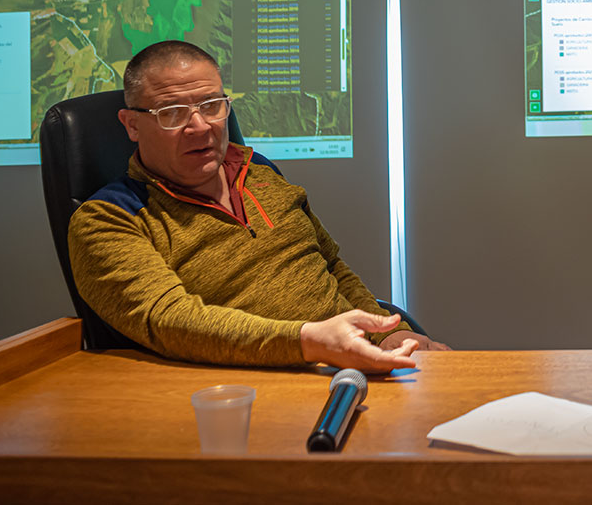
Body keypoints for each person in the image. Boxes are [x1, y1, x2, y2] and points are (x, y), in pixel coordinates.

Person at [68, 40, 448, 372]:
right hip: (250, 383)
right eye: (172, 113)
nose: (200, 126)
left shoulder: (258, 171)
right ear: (131, 125)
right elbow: (170, 322)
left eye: (212, 105)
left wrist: (389, 334)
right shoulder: (108, 220)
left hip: (351, 362)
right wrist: (309, 342)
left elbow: (331, 267)